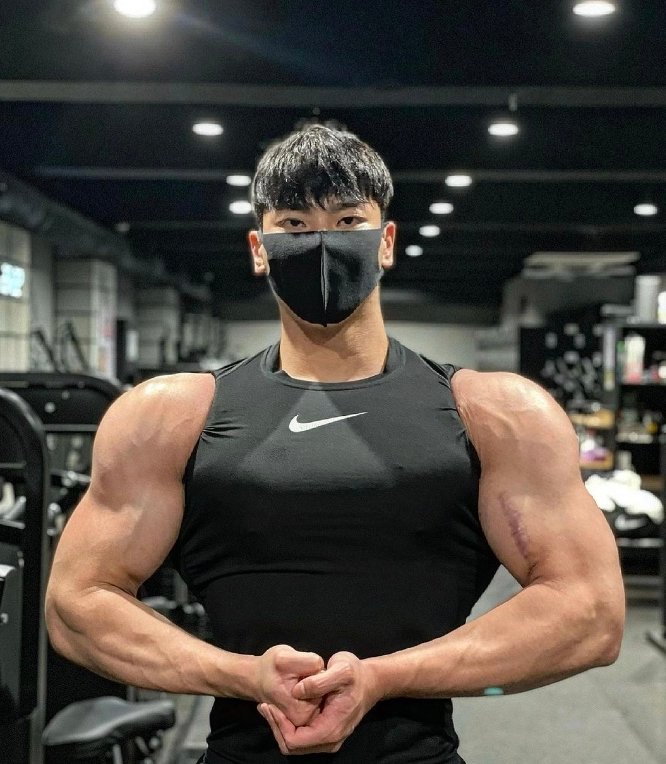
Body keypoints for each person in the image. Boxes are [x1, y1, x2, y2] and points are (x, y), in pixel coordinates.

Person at [45, 125, 625, 763]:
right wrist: (242, 676)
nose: (320, 243)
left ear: (386, 242)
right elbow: (77, 604)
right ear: (260, 249)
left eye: (348, 220)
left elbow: (589, 613)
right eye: (293, 224)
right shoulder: (169, 417)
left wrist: (382, 679)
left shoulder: (497, 414)